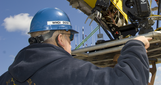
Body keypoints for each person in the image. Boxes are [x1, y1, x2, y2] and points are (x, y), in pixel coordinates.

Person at [0, 7, 151, 85]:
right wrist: (135, 46)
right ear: (60, 39)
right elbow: (129, 81)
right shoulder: (69, 72)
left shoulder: (7, 78)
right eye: (70, 37)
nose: (71, 42)